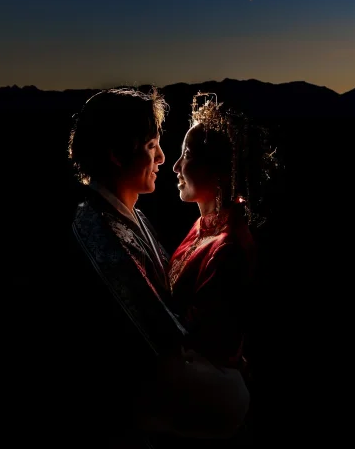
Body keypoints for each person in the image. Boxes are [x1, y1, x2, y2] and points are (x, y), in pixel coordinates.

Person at [66, 87, 250, 447]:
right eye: (152, 147)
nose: (164, 159)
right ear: (118, 154)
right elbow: (157, 334)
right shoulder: (99, 231)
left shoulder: (129, 217)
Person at [168, 92, 278, 375]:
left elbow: (210, 345)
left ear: (216, 170)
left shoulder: (227, 248)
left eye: (187, 156)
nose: (176, 166)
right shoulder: (203, 229)